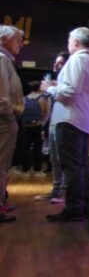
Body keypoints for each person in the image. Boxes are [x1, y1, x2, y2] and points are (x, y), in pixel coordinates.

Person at [43, 28, 89, 222]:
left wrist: (50, 88)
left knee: (70, 166)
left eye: (69, 40)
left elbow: (69, 92)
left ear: (76, 42)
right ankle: (82, 204)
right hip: (85, 119)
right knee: (81, 165)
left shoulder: (77, 60)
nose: (68, 44)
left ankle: (74, 207)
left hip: (70, 119)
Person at [35, 52, 69, 203]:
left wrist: (51, 88)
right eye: (56, 62)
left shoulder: (66, 81)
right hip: (54, 123)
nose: (55, 65)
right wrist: (45, 126)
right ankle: (56, 191)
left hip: (65, 123)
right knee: (54, 159)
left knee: (63, 160)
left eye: (60, 62)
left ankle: (63, 193)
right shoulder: (56, 83)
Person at [0, 25, 25, 223]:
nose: (21, 44)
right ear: (4, 39)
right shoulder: (2, 60)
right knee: (1, 164)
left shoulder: (6, 60)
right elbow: (2, 96)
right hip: (4, 121)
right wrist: (10, 118)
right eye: (17, 39)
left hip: (6, 119)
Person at [19, 81, 50, 176]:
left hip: (26, 126)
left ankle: (26, 170)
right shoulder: (43, 99)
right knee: (38, 148)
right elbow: (46, 113)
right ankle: (37, 170)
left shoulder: (24, 99)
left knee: (26, 148)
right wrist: (43, 125)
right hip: (38, 126)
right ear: (39, 88)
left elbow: (20, 112)